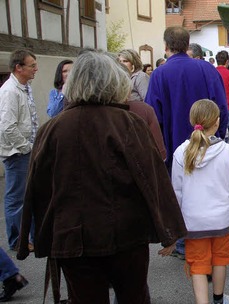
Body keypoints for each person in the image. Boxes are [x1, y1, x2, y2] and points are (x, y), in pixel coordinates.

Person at [16, 50, 186, 303]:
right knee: (134, 297)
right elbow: (154, 179)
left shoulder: (51, 129)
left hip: (72, 237)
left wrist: (39, 237)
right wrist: (169, 230)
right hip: (125, 236)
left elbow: (37, 190)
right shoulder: (128, 123)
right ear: (114, 82)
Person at [172, 100, 229, 304]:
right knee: (220, 260)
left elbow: (177, 191)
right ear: (217, 121)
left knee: (198, 264)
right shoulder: (228, 152)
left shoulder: (180, 153)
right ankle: (219, 299)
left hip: (193, 220)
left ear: (192, 121)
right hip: (221, 218)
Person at [145, 26, 228, 172]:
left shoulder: (159, 74)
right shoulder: (207, 69)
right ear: (187, 44)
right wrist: (218, 136)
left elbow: (153, 117)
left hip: (173, 149)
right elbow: (221, 108)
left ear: (166, 46)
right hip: (208, 146)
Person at [0, 49, 38, 251]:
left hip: (26, 150)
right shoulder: (9, 91)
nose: (36, 69)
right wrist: (26, 147)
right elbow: (7, 127)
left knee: (28, 195)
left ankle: (29, 237)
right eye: (32, 65)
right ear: (18, 67)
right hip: (17, 153)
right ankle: (17, 241)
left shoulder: (24, 87)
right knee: (16, 197)